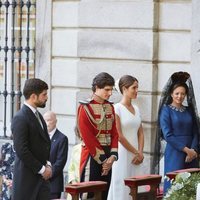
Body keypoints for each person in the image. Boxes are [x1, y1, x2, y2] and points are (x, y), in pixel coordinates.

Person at [152, 71, 200, 194]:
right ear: (171, 94)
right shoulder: (166, 110)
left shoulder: (189, 110)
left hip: (192, 154)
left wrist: (193, 150)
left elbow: (196, 131)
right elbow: (168, 135)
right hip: (175, 152)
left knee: (192, 186)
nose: (180, 96)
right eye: (177, 93)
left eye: (183, 94)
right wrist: (186, 150)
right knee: (175, 186)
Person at [77, 72, 118, 200]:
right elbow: (88, 137)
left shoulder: (110, 107)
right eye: (107, 90)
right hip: (92, 155)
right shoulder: (85, 108)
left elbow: (115, 133)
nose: (110, 93)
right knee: (88, 194)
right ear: (97, 88)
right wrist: (103, 160)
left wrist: (112, 156)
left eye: (111, 89)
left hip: (108, 156)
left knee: (104, 193)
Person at [11, 78, 52, 200]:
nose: (46, 97)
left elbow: (45, 144)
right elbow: (21, 150)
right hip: (26, 182)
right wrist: (42, 169)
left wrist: (48, 165)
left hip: (42, 183)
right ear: (33, 96)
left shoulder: (38, 115)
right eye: (44, 94)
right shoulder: (20, 117)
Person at [107, 75, 144, 200]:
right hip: (122, 153)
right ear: (124, 89)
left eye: (137, 87)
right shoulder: (116, 108)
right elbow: (119, 136)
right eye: (134, 87)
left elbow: (141, 133)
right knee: (122, 185)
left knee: (136, 186)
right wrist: (136, 152)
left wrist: (140, 152)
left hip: (136, 155)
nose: (137, 90)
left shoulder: (137, 109)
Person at [43, 111, 68, 199]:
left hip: (53, 184)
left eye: (49, 120)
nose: (46, 123)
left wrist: (47, 174)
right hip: (39, 184)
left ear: (55, 121)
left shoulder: (62, 138)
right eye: (44, 120)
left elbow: (61, 161)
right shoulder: (40, 136)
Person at [0, 135, 15, 200]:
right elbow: (2, 167)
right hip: (6, 184)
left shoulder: (25, 151)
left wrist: (15, 182)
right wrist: (5, 180)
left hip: (20, 185)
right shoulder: (6, 147)